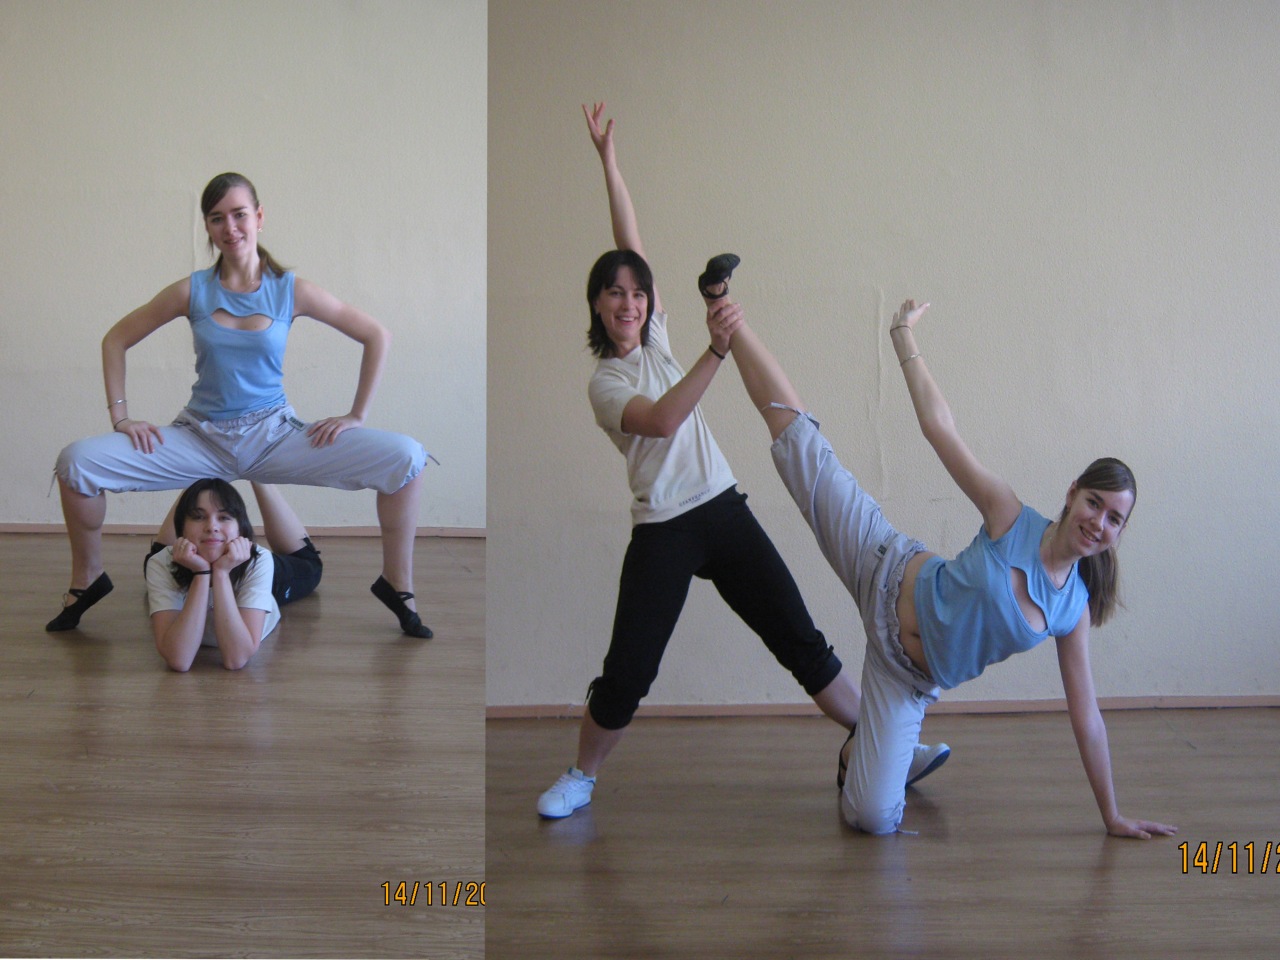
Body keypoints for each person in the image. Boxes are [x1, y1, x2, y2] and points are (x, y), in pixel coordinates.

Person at [535, 104, 948, 820]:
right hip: (664, 528)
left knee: (798, 636)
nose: (629, 301)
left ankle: (881, 744)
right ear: (596, 306)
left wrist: (609, 162)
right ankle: (581, 775)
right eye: (615, 293)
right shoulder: (607, 382)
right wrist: (717, 351)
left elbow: (629, 240)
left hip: (721, 508)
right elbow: (663, 421)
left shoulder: (656, 338)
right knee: (629, 671)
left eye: (638, 292)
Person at [717, 291, 1177, 839]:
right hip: (882, 565)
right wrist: (903, 337)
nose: (1098, 522)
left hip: (904, 677)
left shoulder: (1071, 610)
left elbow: (1088, 719)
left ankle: (870, 751)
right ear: (1073, 492)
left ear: (1119, 534)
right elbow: (940, 428)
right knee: (801, 447)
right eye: (1094, 504)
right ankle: (729, 316)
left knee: (872, 819)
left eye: (1114, 519)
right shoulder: (1011, 516)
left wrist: (1112, 815)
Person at [48, 172, 433, 639]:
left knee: (406, 458)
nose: (229, 227)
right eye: (217, 218)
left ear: (259, 217)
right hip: (199, 437)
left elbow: (376, 335)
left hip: (273, 436)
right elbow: (116, 339)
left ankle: (397, 584)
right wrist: (121, 417)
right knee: (77, 464)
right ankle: (88, 578)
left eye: (239, 214)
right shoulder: (191, 290)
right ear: (208, 227)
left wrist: (356, 415)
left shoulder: (291, 290)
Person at [147, 479, 322, 672]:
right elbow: (179, 660)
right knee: (154, 559)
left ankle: (259, 478)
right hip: (185, 555)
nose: (212, 526)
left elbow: (236, 659)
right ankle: (198, 473)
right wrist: (202, 573)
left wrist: (221, 573)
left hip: (243, 564)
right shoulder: (160, 562)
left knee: (311, 567)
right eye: (198, 516)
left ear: (241, 528)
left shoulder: (259, 561)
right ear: (181, 528)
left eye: (224, 517)